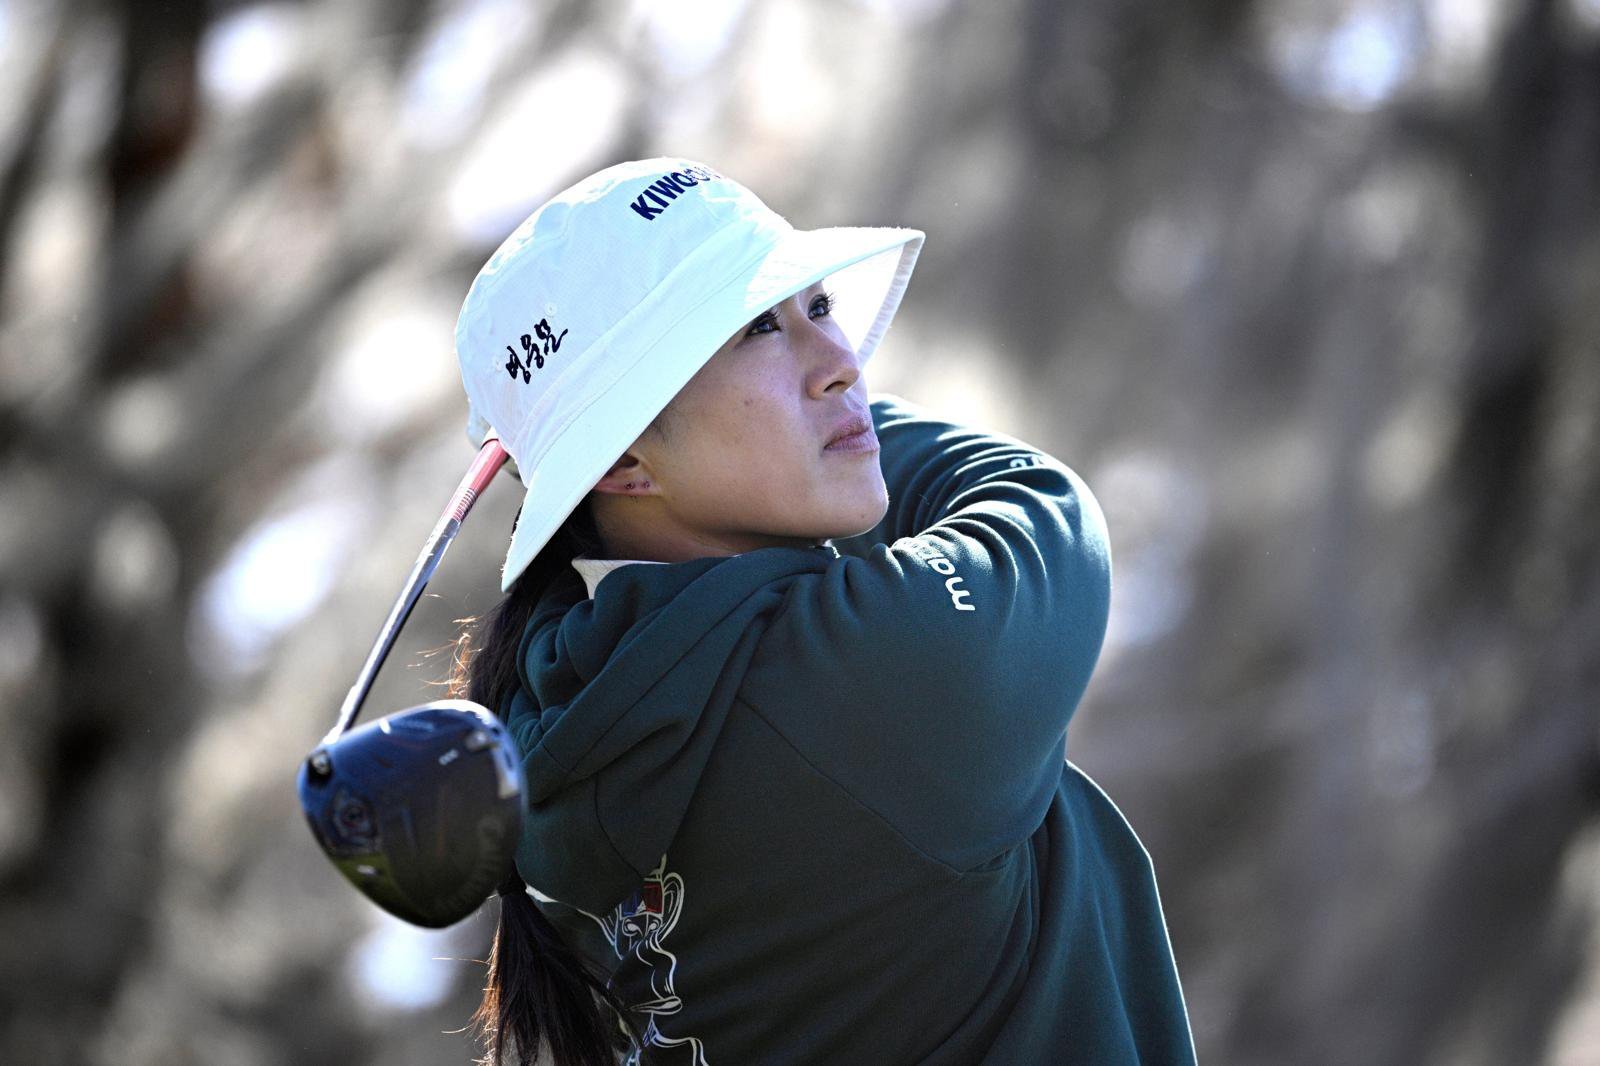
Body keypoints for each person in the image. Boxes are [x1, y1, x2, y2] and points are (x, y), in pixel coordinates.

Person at [446, 157, 1197, 1066]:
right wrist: (847, 446)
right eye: (759, 327)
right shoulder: (871, 682)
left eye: (820, 306)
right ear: (622, 463)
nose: (844, 364)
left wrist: (812, 447)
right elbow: (1033, 501)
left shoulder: (552, 704)